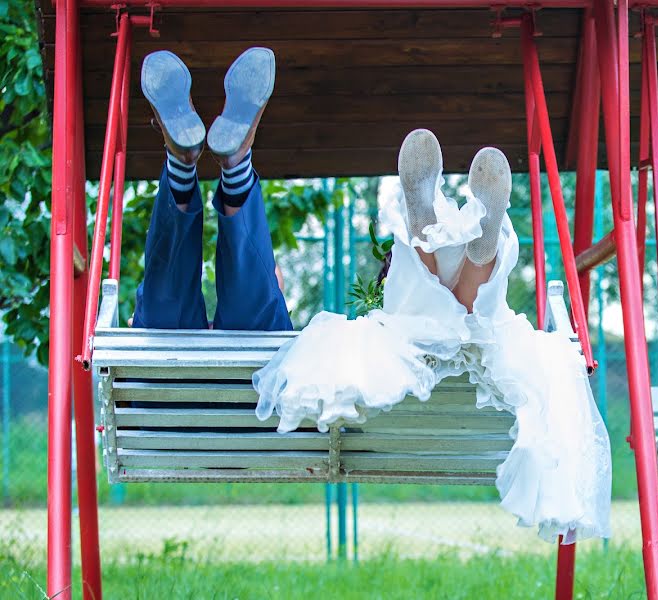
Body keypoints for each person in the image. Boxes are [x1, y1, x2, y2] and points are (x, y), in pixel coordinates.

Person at [254, 129, 612, 543]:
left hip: (414, 349)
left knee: (414, 319)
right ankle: (476, 253)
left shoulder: (374, 352)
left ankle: (424, 233)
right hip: (484, 344)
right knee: (477, 321)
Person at [133, 47, 291, 331]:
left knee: (164, 302)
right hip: (256, 359)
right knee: (257, 305)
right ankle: (234, 164)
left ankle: (188, 163)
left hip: (164, 355)